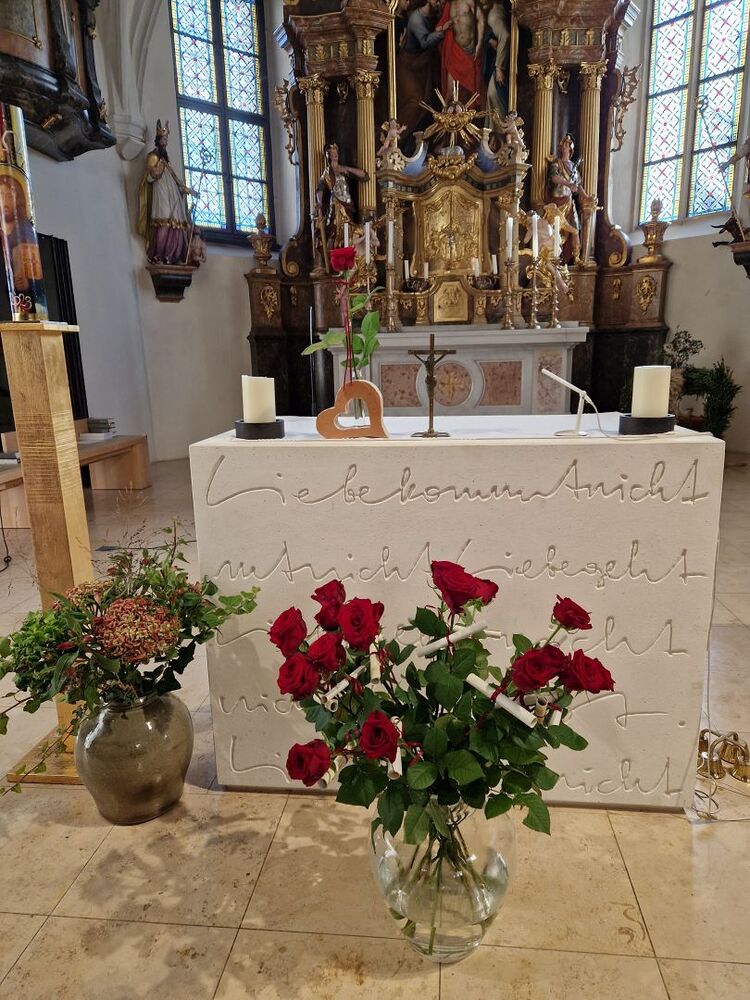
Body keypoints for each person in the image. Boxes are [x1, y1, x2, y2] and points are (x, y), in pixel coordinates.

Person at [138, 120, 198, 265]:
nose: (165, 142)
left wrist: (186, 189)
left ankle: (172, 256)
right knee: (163, 222)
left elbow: (174, 177)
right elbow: (150, 177)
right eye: (163, 139)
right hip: (161, 193)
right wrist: (158, 168)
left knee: (176, 223)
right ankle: (158, 255)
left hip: (172, 193)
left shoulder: (166, 157)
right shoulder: (153, 156)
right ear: (158, 141)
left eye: (166, 140)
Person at [396, 1, 451, 143]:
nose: (439, 3)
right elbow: (425, 42)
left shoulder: (431, 17)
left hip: (422, 65)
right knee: (415, 102)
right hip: (408, 65)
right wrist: (443, 31)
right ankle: (394, 139)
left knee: (425, 102)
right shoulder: (416, 18)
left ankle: (411, 141)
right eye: (436, 0)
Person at [315, 144, 369, 250]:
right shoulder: (327, 172)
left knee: (349, 230)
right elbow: (320, 188)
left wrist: (346, 169)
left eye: (336, 153)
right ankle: (335, 253)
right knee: (334, 231)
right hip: (335, 205)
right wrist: (319, 202)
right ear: (328, 155)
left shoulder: (343, 169)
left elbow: (364, 176)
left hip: (347, 204)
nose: (335, 155)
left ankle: (347, 252)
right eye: (332, 153)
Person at [547, 134, 588, 261]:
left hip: (569, 201)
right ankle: (554, 257)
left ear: (571, 149)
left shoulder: (573, 166)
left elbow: (578, 184)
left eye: (567, 145)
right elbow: (554, 178)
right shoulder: (556, 163)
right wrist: (568, 184)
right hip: (557, 201)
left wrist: (586, 197)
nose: (565, 147)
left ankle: (576, 258)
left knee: (575, 229)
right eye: (564, 145)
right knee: (555, 230)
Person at [437, 0, 486, 104]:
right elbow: (439, 28)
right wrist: (444, 26)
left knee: (470, 93)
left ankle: (468, 115)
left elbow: (481, 19)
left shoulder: (469, 1)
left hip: (469, 51)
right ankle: (446, 114)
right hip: (455, 52)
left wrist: (479, 43)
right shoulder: (449, 5)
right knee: (450, 93)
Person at [484, 1, 510, 125]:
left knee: (493, 94)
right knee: (491, 95)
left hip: (499, 64)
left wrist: (499, 67)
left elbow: (505, 35)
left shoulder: (495, 13)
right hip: (495, 61)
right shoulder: (495, 11)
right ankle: (494, 131)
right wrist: (489, 39)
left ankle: (499, 129)